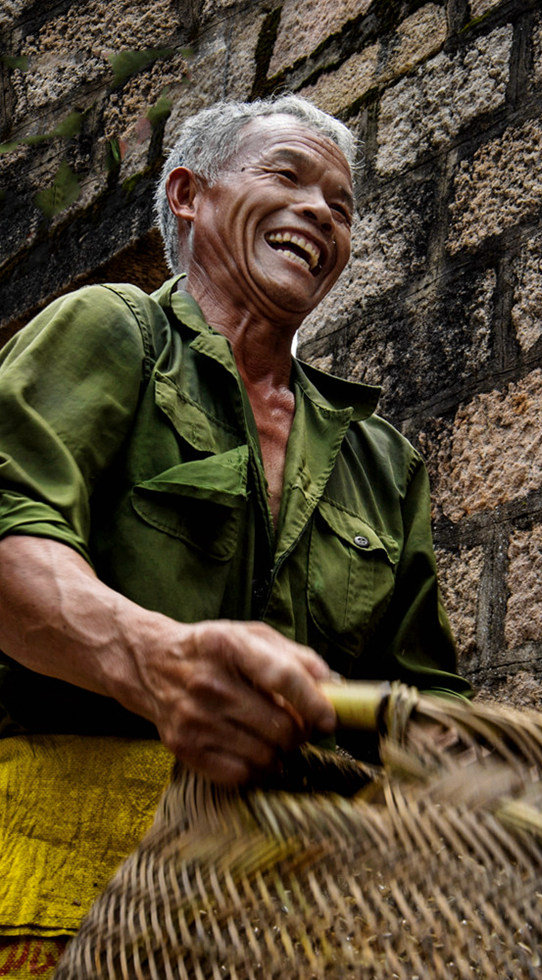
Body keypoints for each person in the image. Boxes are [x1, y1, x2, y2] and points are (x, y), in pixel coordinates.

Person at [0, 95, 470, 966]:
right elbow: (10, 540)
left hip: (288, 915)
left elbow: (426, 708)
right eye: (286, 175)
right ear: (188, 195)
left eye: (340, 205)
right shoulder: (114, 330)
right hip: (63, 878)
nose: (320, 213)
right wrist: (153, 659)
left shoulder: (382, 461)